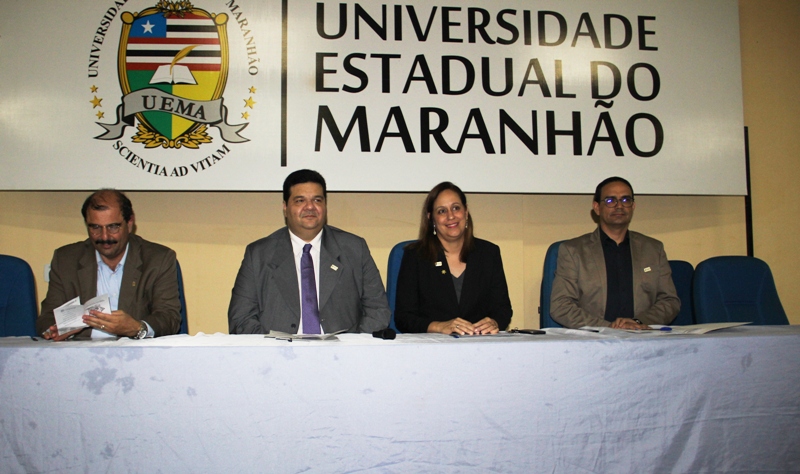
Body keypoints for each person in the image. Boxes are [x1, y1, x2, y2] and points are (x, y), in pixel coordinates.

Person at [228, 169, 391, 334]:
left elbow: (378, 310)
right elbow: (241, 318)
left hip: (342, 353)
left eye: (317, 200)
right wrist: (273, 352)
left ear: (325, 205)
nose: (310, 207)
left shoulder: (354, 248)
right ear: (285, 207)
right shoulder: (258, 254)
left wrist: (352, 349)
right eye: (299, 201)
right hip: (277, 353)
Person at [37, 189, 181, 340]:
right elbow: (46, 319)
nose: (104, 236)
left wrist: (137, 328)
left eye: (113, 227)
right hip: (80, 354)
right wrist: (55, 330)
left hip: (136, 354)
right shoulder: (66, 259)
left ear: (130, 222)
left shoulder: (158, 259)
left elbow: (169, 318)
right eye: (95, 227)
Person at [550, 177, 680, 329]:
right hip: (594, 340)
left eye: (625, 200)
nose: (619, 206)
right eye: (611, 201)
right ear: (597, 207)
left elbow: (670, 301)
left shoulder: (653, 249)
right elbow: (561, 306)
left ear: (633, 206)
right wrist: (607, 328)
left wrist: (639, 323)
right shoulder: (573, 251)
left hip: (644, 337)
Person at [394, 182, 512, 335]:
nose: (451, 216)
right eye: (442, 211)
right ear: (431, 219)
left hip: (480, 346)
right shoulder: (415, 256)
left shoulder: (489, 253)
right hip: (432, 349)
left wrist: (494, 322)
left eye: (456, 208)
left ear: (466, 211)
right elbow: (404, 318)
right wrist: (438, 327)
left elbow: (502, 310)